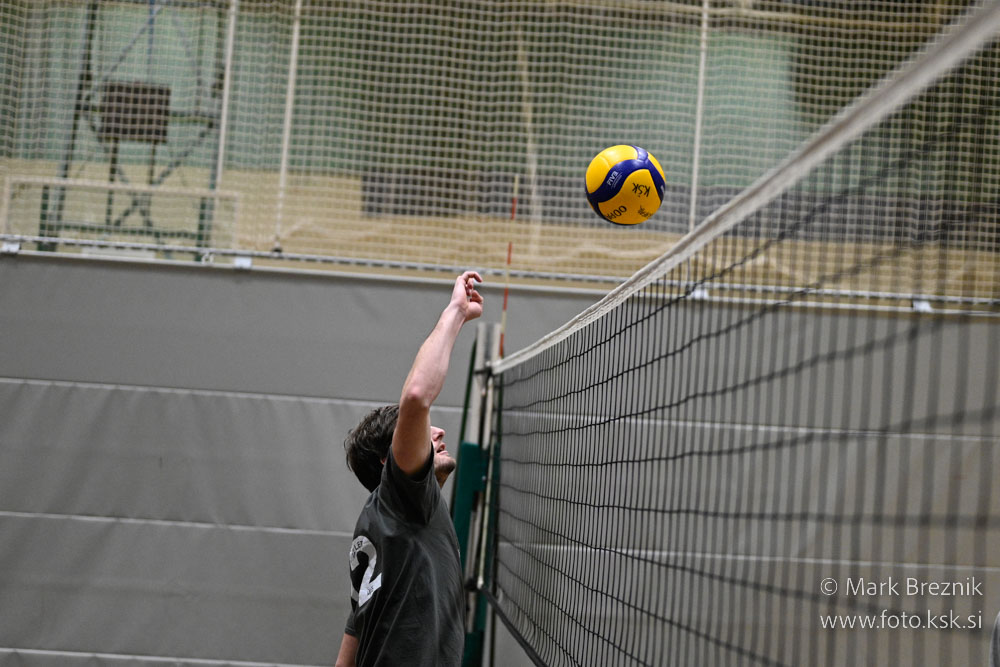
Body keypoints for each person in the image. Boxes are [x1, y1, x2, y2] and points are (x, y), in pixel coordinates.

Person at [334, 271, 484, 667]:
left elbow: (355, 628)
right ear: (391, 460)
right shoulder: (401, 496)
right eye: (419, 432)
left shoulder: (386, 525)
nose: (438, 431)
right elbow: (417, 395)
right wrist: (456, 312)